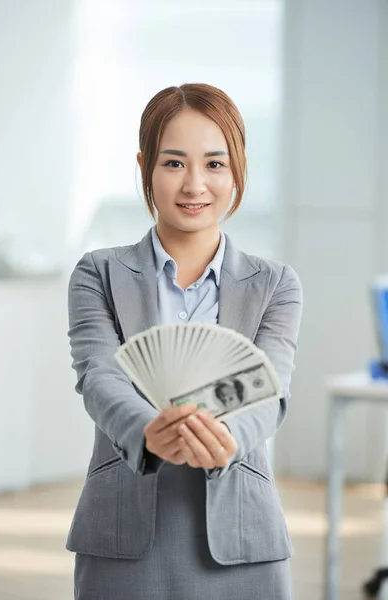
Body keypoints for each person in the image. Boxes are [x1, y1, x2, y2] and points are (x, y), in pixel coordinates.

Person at [67, 83, 303, 600]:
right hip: (123, 532)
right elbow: (99, 376)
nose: (195, 184)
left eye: (214, 165)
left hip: (243, 538)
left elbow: (268, 389)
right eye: (173, 163)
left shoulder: (276, 284)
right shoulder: (98, 273)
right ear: (145, 165)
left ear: (237, 168)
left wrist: (223, 438)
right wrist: (150, 432)